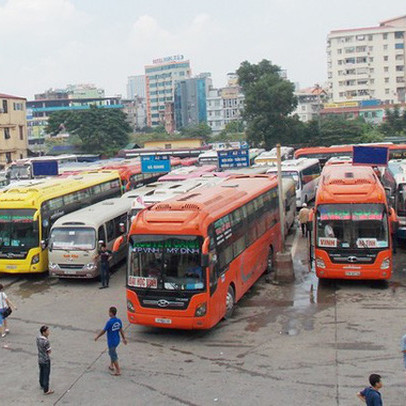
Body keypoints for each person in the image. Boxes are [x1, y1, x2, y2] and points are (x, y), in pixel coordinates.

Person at [95, 306, 127, 376]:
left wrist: (97, 336)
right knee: (112, 352)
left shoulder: (109, 322)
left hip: (111, 341)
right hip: (117, 340)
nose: (108, 313)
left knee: (113, 355)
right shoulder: (118, 321)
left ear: (111, 313)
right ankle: (111, 365)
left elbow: (104, 331)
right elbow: (121, 330)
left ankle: (118, 370)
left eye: (109, 311)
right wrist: (124, 338)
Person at [36, 325, 54, 395]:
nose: (48, 332)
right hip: (46, 359)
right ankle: (46, 389)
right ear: (43, 332)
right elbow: (49, 351)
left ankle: (42, 384)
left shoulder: (38, 339)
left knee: (41, 372)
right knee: (46, 374)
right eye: (47, 331)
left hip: (40, 358)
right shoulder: (46, 341)